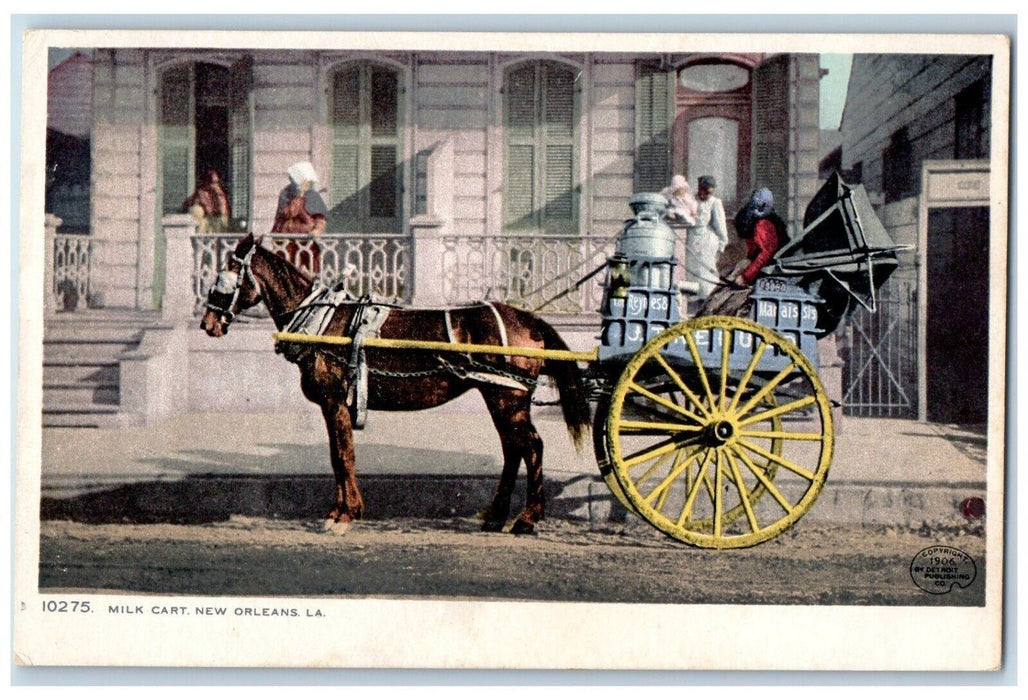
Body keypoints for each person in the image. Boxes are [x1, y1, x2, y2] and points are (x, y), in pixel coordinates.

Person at [732, 187, 788, 287]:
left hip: (771, 272)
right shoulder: (751, 220)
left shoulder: (764, 224)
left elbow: (766, 254)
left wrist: (745, 277)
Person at [684, 175, 729, 299]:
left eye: (708, 193)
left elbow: (721, 226)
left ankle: (706, 300)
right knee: (691, 272)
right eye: (702, 191)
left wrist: (721, 246)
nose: (704, 195)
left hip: (707, 242)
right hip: (691, 240)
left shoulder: (715, 203)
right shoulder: (691, 200)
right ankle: (692, 301)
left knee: (706, 273)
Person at [273, 161, 328, 236]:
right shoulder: (286, 193)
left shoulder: (313, 195)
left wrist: (317, 230)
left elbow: (320, 219)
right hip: (287, 237)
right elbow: (281, 218)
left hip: (307, 237)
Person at [183, 169, 231, 233]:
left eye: (217, 182)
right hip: (205, 223)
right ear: (206, 183)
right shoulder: (201, 193)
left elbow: (223, 212)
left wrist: (219, 197)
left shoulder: (220, 194)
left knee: (221, 220)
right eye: (212, 182)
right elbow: (208, 210)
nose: (215, 185)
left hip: (216, 222)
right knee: (197, 212)